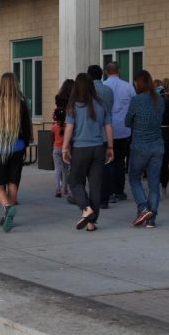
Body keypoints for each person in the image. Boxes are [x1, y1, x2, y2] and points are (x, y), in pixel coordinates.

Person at [62, 73, 114, 232]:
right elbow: (108, 127)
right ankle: (91, 223)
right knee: (95, 186)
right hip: (99, 148)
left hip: (81, 149)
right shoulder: (101, 104)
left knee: (74, 181)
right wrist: (111, 148)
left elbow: (69, 128)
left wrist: (65, 148)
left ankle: (85, 209)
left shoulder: (74, 105)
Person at [0, 72, 33, 233]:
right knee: (13, 181)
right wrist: (26, 143)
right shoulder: (21, 104)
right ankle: (9, 215)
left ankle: (7, 208)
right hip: (18, 147)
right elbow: (27, 127)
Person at [126, 70, 165, 228]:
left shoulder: (136, 100)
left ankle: (143, 207)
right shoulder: (160, 100)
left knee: (134, 177)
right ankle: (151, 218)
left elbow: (127, 121)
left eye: (135, 82)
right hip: (157, 146)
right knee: (154, 183)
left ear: (139, 82)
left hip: (140, 146)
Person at [103, 62, 135, 202]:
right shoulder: (128, 86)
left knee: (108, 161)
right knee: (120, 161)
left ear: (106, 72)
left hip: (106, 130)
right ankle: (119, 191)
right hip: (124, 130)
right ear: (119, 71)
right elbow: (134, 107)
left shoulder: (103, 87)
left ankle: (108, 191)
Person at [87, 65, 114, 207]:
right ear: (101, 75)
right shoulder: (109, 91)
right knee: (107, 166)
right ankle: (106, 197)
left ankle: (93, 198)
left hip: (92, 134)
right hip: (106, 131)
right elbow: (110, 111)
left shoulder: (88, 92)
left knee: (92, 170)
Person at [52, 79, 74, 198]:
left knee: (57, 169)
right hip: (68, 132)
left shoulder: (58, 98)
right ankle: (66, 188)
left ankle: (58, 188)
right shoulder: (72, 100)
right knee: (66, 169)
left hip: (56, 147)